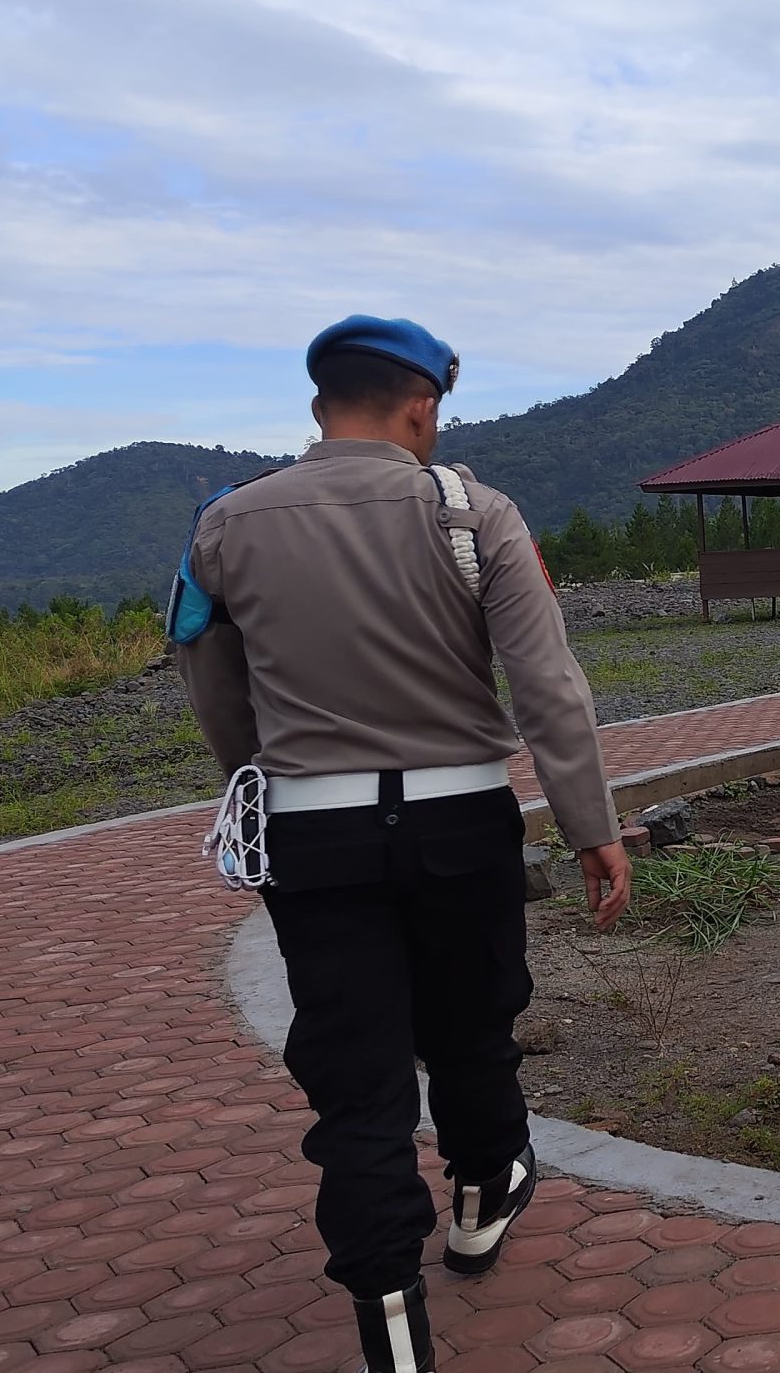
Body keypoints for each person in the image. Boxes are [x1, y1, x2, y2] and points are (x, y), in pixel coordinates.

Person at [173, 316, 630, 1373]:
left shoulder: (226, 524)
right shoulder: (476, 512)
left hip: (313, 835)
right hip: (460, 823)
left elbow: (212, 682)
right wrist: (591, 828)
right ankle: (480, 1192)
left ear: (319, 404)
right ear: (422, 407)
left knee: (358, 1074)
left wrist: (267, 779)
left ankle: (389, 1317)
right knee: (471, 1027)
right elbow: (548, 686)